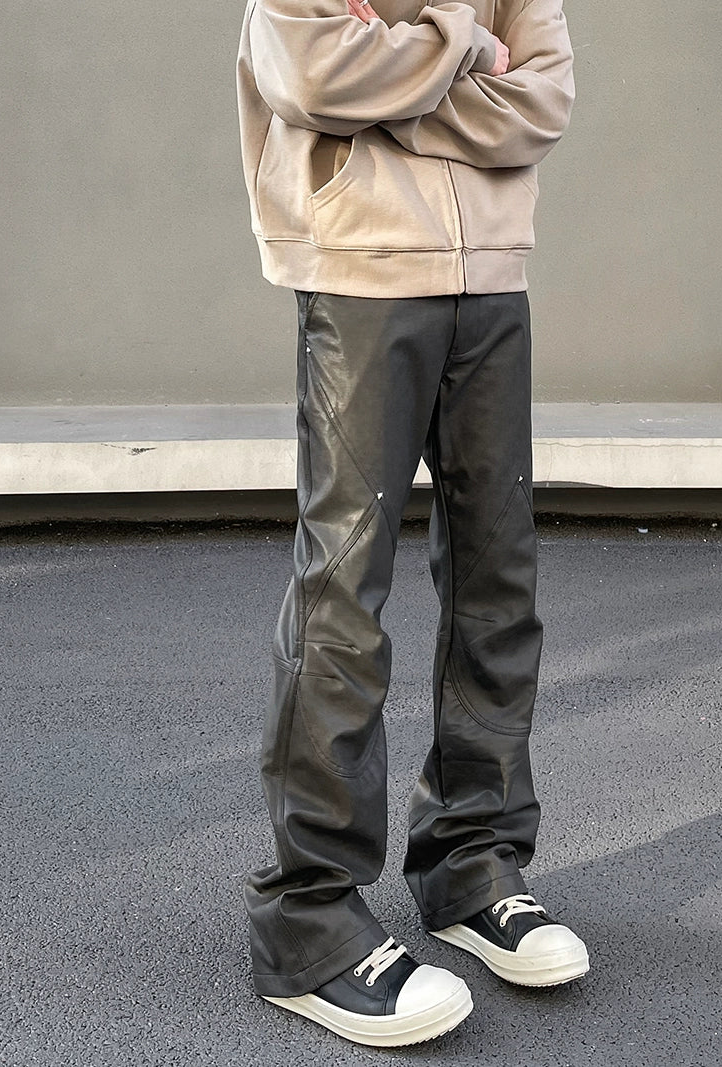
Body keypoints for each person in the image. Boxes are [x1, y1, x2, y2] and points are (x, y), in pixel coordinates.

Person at [235, 0, 586, 1047]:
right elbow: (307, 71)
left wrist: (396, 71)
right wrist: (465, 48)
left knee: (498, 578)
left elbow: (542, 99)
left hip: (493, 282)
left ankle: (472, 862)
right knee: (343, 592)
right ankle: (307, 921)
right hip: (362, 274)